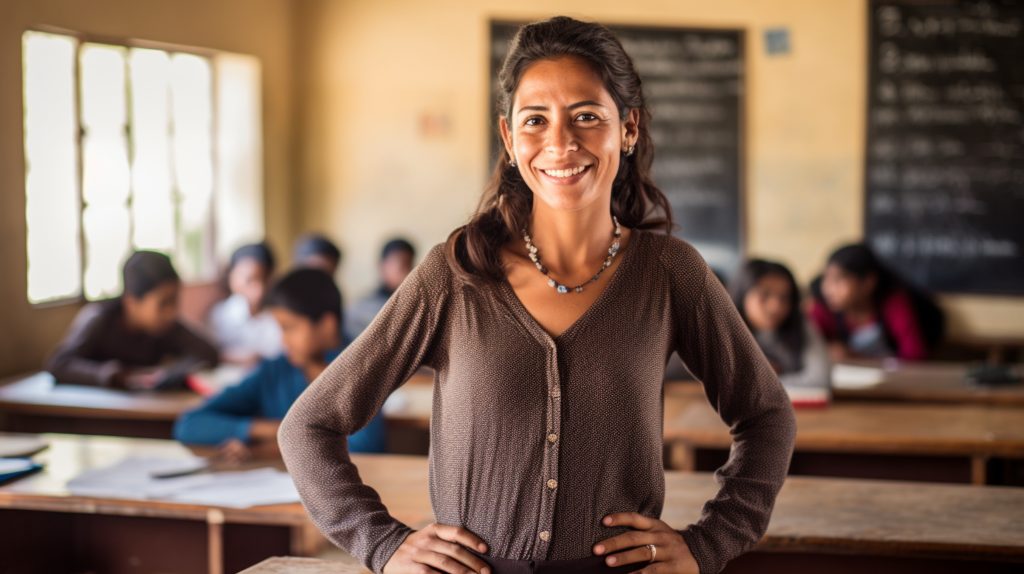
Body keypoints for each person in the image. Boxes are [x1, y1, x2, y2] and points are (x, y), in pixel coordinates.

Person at [279, 16, 795, 574]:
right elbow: (309, 426)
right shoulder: (454, 276)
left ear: (628, 128)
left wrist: (708, 543)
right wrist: (381, 543)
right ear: (508, 137)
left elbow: (767, 416)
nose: (560, 144)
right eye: (535, 120)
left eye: (587, 117)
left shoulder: (670, 273)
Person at [175, 268, 386, 461]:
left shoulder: (359, 372)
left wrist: (272, 447)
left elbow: (366, 446)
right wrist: (273, 431)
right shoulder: (274, 371)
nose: (283, 340)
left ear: (327, 325)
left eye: (290, 328)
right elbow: (189, 425)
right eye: (279, 329)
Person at [46, 251, 219, 390]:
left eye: (174, 301)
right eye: (163, 303)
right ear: (132, 302)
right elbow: (59, 364)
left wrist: (171, 373)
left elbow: (209, 352)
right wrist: (116, 375)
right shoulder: (99, 318)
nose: (171, 312)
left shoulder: (167, 326)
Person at [810, 243, 943, 361]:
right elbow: (804, 346)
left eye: (838, 280)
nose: (828, 289)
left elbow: (915, 355)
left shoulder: (893, 303)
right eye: (826, 279)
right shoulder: (823, 306)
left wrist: (857, 357)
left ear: (868, 283)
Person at [729, 259, 831, 398]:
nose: (775, 306)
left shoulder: (800, 324)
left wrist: (763, 380)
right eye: (764, 295)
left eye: (784, 298)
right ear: (742, 295)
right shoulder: (723, 329)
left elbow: (821, 380)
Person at [207, 242, 283, 366]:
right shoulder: (219, 316)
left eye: (264, 280)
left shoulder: (279, 317)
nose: (259, 290)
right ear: (231, 277)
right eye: (249, 280)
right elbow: (209, 354)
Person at [344, 238, 416, 342]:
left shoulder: (417, 304)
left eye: (409, 264)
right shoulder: (361, 307)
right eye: (400, 264)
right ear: (381, 266)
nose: (406, 270)